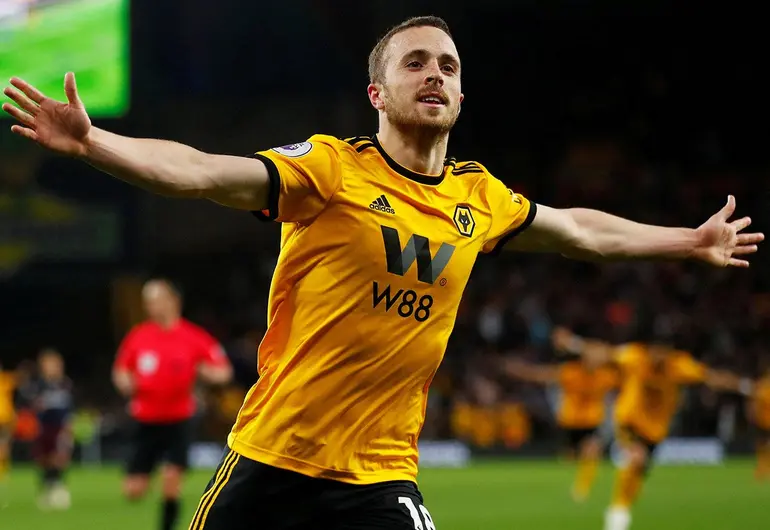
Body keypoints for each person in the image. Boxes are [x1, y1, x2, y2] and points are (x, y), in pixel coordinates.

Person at [1, 14, 763, 530]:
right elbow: (203, 172)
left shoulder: (480, 196)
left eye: (448, 66)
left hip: (380, 475)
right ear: (377, 93)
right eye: (415, 62)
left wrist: (687, 241)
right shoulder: (331, 168)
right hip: (272, 457)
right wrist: (96, 144)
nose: (435, 74)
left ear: (460, 95)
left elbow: (579, 231)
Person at [554, 327, 750, 530]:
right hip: (629, 419)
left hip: (655, 429)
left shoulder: (680, 365)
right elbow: (606, 352)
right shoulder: (635, 356)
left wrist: (745, 386)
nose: (658, 356)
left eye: (663, 352)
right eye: (655, 351)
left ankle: (621, 506)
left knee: (638, 470)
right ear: (648, 349)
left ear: (669, 352)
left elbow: (710, 377)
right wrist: (572, 343)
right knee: (636, 458)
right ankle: (618, 512)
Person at [113, 278, 232, 530]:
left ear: (173, 301)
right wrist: (125, 381)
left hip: (179, 418)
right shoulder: (139, 336)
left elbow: (224, 372)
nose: (152, 306)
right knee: (133, 491)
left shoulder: (194, 336)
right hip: (145, 419)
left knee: (171, 481)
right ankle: (150, 473)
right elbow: (120, 370)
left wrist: (204, 372)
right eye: (148, 302)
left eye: (156, 300)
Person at [501, 336, 618, 502]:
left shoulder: (606, 376)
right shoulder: (571, 372)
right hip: (570, 422)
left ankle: (582, 490)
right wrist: (519, 371)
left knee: (591, 450)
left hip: (592, 421)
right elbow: (541, 375)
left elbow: (618, 361)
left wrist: (573, 343)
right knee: (568, 459)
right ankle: (558, 493)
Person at [28, 348, 74, 510]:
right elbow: (32, 406)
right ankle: (47, 488)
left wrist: (69, 426)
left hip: (60, 428)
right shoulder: (39, 386)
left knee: (60, 458)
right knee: (44, 459)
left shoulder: (65, 384)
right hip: (43, 428)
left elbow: (69, 408)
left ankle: (58, 487)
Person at [748, 363, 770, 481]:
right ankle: (762, 467)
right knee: (761, 444)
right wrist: (752, 415)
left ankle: (765, 466)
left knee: (765, 445)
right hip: (762, 422)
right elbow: (753, 403)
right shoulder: (761, 386)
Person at [0, 362, 16, 504]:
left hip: (5, 419)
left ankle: (3, 471)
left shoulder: (5, 379)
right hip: (5, 418)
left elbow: (19, 378)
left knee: (4, 446)